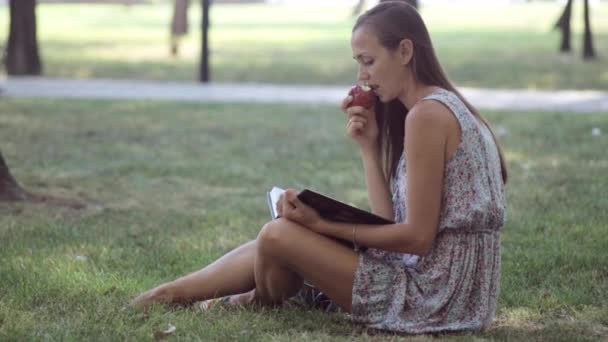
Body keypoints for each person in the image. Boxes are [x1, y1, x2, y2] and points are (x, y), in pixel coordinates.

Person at [130, 1, 507, 335]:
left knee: (278, 236)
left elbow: (416, 238)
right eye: (358, 63)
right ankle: (173, 294)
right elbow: (390, 223)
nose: (362, 76)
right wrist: (369, 149)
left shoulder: (428, 115)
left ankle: (255, 299)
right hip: (435, 283)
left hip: (435, 298)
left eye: (369, 61)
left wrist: (324, 226)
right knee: (280, 234)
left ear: (405, 50)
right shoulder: (434, 108)